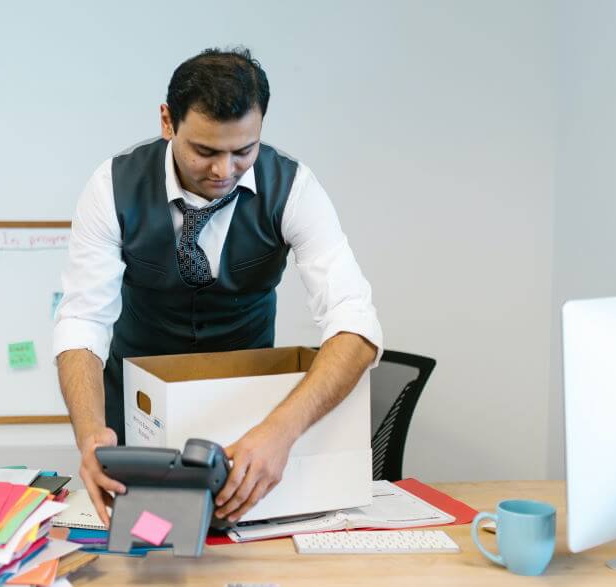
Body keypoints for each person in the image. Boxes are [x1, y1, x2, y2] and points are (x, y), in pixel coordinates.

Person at [53, 47, 382, 527]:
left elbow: (356, 324)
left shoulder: (294, 188)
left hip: (250, 431)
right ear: (168, 122)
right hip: (136, 424)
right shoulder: (111, 186)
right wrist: (89, 436)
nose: (223, 171)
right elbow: (83, 320)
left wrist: (280, 433)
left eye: (243, 151)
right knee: (142, 554)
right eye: (205, 151)